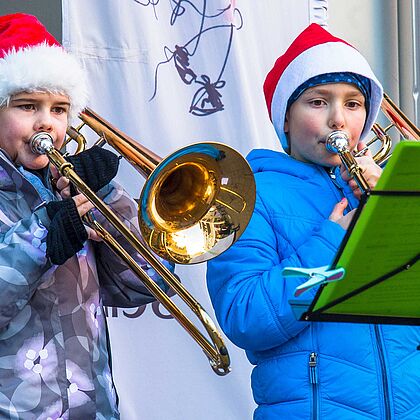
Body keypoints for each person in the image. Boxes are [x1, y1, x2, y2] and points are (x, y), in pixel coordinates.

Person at [206, 23, 420, 419]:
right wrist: (332, 242)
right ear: (285, 120)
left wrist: (394, 209)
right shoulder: (251, 196)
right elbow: (245, 314)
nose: (338, 119)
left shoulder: (390, 188)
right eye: (318, 102)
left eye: (353, 104)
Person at [0, 13, 172, 419]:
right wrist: (45, 234)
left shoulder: (73, 188)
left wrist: (110, 202)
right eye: (27, 106)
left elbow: (145, 286)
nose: (47, 122)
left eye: (60, 109)